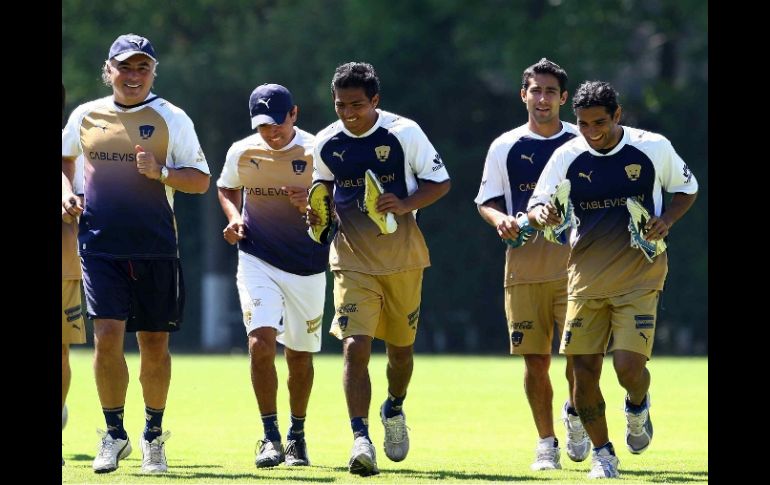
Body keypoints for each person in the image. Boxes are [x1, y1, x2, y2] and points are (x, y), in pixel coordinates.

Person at [527, 80, 698, 479]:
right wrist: (543, 215)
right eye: (584, 125)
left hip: (641, 273)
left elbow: (686, 189)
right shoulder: (567, 155)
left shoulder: (652, 147)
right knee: (582, 370)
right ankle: (603, 454)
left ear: (617, 115)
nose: (592, 132)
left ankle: (637, 405)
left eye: (600, 123)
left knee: (627, 369)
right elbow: (538, 203)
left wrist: (667, 220)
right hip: (585, 277)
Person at [61, 33, 210, 474]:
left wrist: (161, 172)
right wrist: (67, 193)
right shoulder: (85, 115)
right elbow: (65, 161)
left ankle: (153, 435)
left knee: (154, 344)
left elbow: (201, 180)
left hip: (155, 246)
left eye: (142, 67)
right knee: (106, 336)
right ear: (109, 70)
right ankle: (114, 433)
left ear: (153, 72)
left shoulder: (171, 118)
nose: (133, 76)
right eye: (124, 67)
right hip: (99, 245)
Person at [308, 62, 450, 476]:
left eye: (356, 104)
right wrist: (318, 215)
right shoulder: (326, 142)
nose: (348, 113)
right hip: (351, 259)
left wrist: (406, 204)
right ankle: (360, 438)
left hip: (403, 257)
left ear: (375, 100)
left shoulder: (404, 133)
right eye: (340, 105)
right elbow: (324, 191)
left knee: (401, 352)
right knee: (355, 346)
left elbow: (440, 182)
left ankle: (395, 407)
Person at [474, 58, 590, 471]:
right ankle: (546, 443)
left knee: (580, 359)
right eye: (535, 91)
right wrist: (500, 219)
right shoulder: (505, 146)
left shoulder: (582, 141)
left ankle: (576, 413)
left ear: (563, 97)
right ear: (523, 95)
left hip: (578, 267)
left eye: (551, 92)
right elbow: (486, 201)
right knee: (535, 361)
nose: (543, 99)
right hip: (523, 268)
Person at [216, 83, 330, 468]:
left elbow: (339, 207)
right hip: (257, 259)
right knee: (260, 344)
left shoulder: (319, 151)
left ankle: (297, 436)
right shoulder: (242, 150)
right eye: (264, 124)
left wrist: (314, 206)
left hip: (308, 265)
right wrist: (235, 220)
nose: (272, 131)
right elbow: (226, 188)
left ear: (294, 114)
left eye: (278, 122)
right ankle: (269, 436)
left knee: (299, 357)